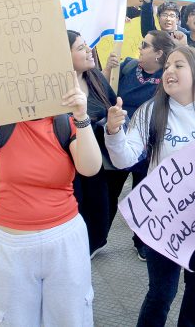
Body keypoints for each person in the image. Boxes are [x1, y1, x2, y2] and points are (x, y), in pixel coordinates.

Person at [0, 11, 102, 325]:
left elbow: (90, 167)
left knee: (71, 318)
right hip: (10, 245)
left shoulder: (64, 120)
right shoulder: (0, 121)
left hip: (64, 239)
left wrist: (81, 116)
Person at [104, 45, 195, 327]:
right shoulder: (151, 110)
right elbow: (124, 157)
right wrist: (114, 132)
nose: (169, 72)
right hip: (163, 220)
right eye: (167, 68)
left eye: (178, 66)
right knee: (162, 292)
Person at [103, 30, 178, 260]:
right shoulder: (126, 67)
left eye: (145, 45)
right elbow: (106, 93)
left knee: (143, 197)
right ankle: (97, 239)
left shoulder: (169, 79)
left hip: (149, 148)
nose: (140, 47)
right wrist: (108, 70)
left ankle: (142, 241)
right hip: (118, 141)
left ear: (159, 54)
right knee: (108, 195)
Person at [67, 29, 129, 257]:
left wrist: (114, 121)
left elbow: (114, 107)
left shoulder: (96, 78)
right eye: (81, 48)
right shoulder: (56, 90)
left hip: (103, 160)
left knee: (101, 204)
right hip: (72, 164)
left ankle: (94, 243)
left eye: (87, 45)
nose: (89, 51)